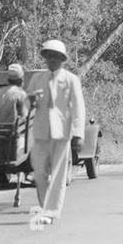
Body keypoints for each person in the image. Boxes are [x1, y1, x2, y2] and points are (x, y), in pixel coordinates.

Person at [26, 39, 85, 226]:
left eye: (55, 56)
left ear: (62, 59)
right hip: (41, 132)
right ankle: (45, 207)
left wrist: (78, 134)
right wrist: (31, 102)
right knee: (40, 172)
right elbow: (26, 104)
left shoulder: (71, 80)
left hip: (62, 133)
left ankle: (51, 212)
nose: (51, 59)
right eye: (48, 56)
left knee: (58, 175)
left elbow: (78, 108)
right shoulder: (37, 79)